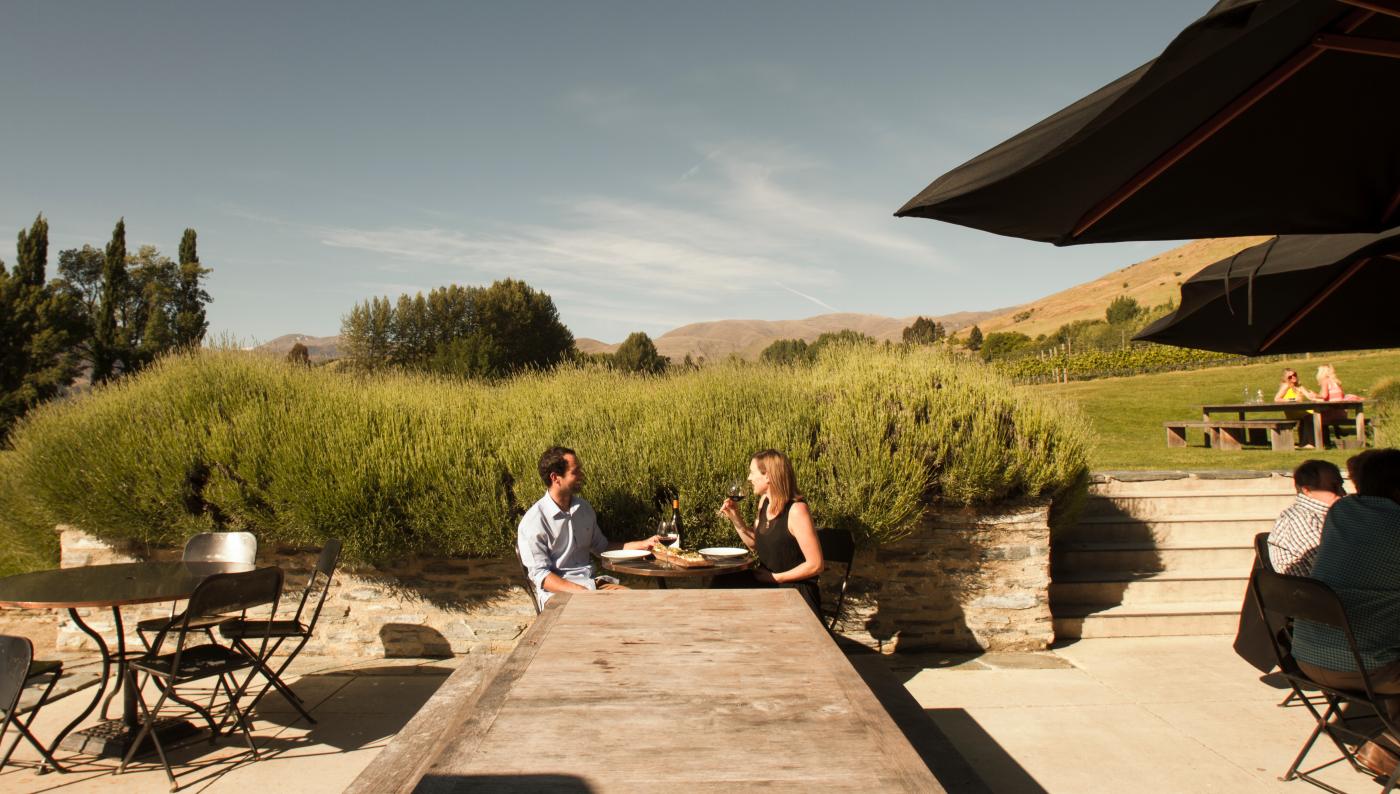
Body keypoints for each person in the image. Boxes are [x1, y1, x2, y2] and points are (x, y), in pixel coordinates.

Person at [1289, 449, 1400, 772]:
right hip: (1367, 667)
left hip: (1309, 657)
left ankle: (1388, 744)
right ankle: (1389, 747)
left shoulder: (1343, 512)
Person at [516, 446, 658, 609]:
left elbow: (602, 548)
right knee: (611, 615)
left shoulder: (583, 509)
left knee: (642, 606)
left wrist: (642, 545)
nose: (582, 475)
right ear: (555, 478)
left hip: (593, 586)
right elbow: (542, 577)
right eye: (575, 472)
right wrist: (585, 594)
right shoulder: (533, 522)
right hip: (558, 597)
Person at [716, 449, 824, 616]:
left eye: (752, 472)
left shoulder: (797, 510)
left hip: (794, 591)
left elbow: (815, 565)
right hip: (769, 583)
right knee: (721, 584)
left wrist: (774, 578)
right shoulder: (764, 502)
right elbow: (755, 544)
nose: (749, 478)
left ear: (768, 476)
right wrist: (735, 518)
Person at [1266, 460, 1344, 576]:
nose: (1343, 492)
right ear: (1307, 490)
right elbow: (1333, 565)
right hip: (1316, 591)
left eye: (1340, 486)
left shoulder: (1328, 515)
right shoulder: (1299, 519)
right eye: (1333, 487)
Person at [1274, 368, 1319, 447]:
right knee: (1310, 417)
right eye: (1290, 377)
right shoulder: (1286, 386)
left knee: (1315, 415)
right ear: (1286, 378)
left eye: (1294, 375)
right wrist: (1293, 399)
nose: (1293, 377)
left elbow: (1309, 396)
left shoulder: (1299, 386)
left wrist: (1317, 397)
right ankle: (1309, 443)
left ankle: (1308, 442)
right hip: (1292, 411)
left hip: (1301, 411)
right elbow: (1277, 399)